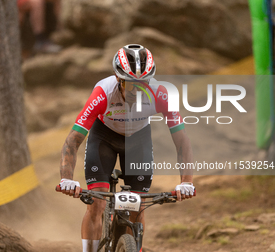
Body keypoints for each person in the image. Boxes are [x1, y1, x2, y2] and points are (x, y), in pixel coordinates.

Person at [58, 44, 195, 252]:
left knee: (137, 206)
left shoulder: (160, 94)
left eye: (142, 83)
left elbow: (181, 140)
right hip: (104, 137)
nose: (136, 90)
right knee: (97, 204)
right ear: (118, 78)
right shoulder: (103, 93)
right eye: (129, 84)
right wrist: (67, 178)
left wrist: (186, 182)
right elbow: (73, 139)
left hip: (138, 140)